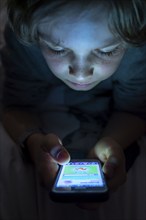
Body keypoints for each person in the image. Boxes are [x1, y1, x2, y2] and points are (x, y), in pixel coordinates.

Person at [0, 0, 146, 216]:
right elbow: (14, 106)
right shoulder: (26, 42)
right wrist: (32, 141)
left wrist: (115, 140)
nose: (80, 74)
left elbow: (135, 108)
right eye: (57, 49)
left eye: (106, 51)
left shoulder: (137, 47)